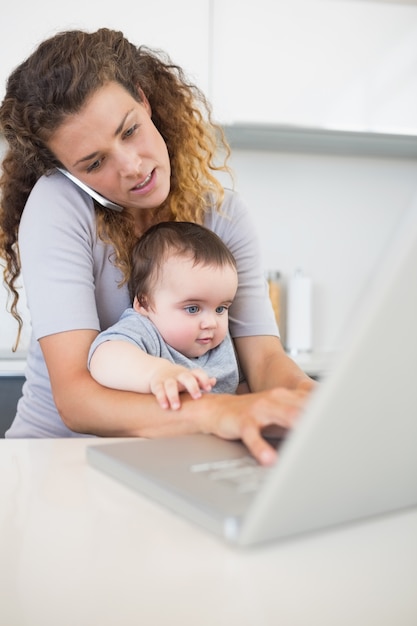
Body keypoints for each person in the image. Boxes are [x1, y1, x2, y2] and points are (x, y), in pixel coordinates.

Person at [0, 28, 315, 465]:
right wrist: (218, 412)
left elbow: (264, 360)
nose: (131, 166)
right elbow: (77, 400)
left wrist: (310, 399)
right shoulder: (59, 205)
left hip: (173, 456)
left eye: (129, 130)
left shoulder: (223, 215)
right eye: (94, 163)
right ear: (68, 173)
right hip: (53, 461)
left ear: (145, 102)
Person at [88, 221, 240, 409]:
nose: (211, 323)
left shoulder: (216, 342)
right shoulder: (146, 330)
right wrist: (157, 373)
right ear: (145, 304)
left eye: (221, 309)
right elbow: (103, 358)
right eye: (193, 309)